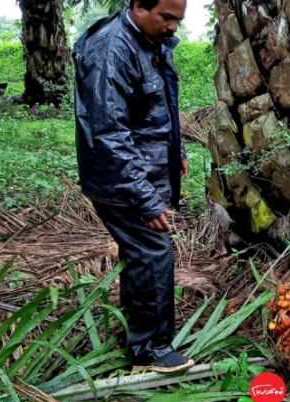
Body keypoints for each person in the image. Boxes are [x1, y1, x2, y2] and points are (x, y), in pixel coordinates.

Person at [74, 0, 193, 373]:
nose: (174, 27)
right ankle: (151, 350)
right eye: (167, 17)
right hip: (121, 179)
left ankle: (138, 335)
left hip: (142, 170)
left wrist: (177, 151)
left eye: (178, 19)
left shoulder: (148, 40)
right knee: (153, 251)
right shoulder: (112, 49)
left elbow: (160, 105)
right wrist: (146, 201)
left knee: (143, 254)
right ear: (140, 5)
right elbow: (108, 134)